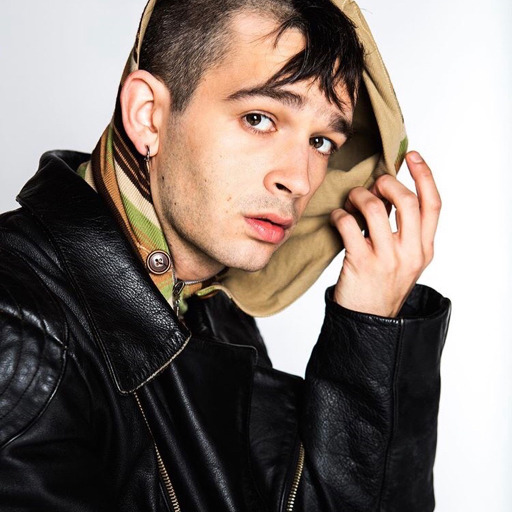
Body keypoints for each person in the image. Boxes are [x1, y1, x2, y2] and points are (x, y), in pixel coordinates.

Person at [0, 0, 451, 510]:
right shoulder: (18, 326)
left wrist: (370, 332)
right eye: (259, 118)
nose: (300, 180)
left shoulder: (211, 304)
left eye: (322, 141)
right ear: (148, 117)